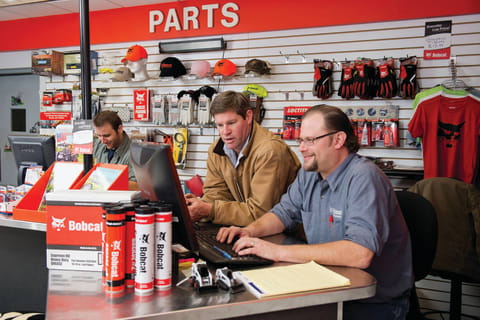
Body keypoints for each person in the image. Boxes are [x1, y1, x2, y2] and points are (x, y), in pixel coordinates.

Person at [217, 105, 413, 319]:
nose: (301, 148)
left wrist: (277, 251)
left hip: (372, 303)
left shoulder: (364, 178)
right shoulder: (309, 173)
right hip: (329, 290)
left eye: (310, 140)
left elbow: (360, 254)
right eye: (301, 140)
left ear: (338, 140)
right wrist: (249, 232)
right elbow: (283, 213)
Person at [186, 91, 301, 226]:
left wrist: (209, 210)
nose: (225, 132)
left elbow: (261, 214)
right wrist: (197, 206)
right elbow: (216, 194)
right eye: (220, 125)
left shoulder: (270, 151)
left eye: (231, 123)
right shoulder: (217, 150)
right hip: (249, 230)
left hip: (287, 235)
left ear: (248, 116)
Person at [93, 110, 138, 190]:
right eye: (99, 135)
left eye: (107, 136)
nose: (102, 141)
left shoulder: (135, 154)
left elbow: (137, 186)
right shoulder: (97, 145)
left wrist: (106, 181)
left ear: (119, 129)